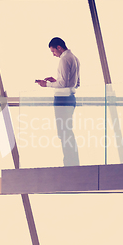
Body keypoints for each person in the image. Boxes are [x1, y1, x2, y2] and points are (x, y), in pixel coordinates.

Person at [36, 37, 80, 166]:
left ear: (59, 47)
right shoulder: (75, 58)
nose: (54, 55)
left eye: (53, 51)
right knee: (67, 131)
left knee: (63, 132)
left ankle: (69, 163)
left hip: (62, 99)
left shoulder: (64, 59)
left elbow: (64, 83)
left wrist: (47, 84)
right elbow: (75, 83)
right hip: (71, 98)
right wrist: (55, 81)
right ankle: (73, 161)